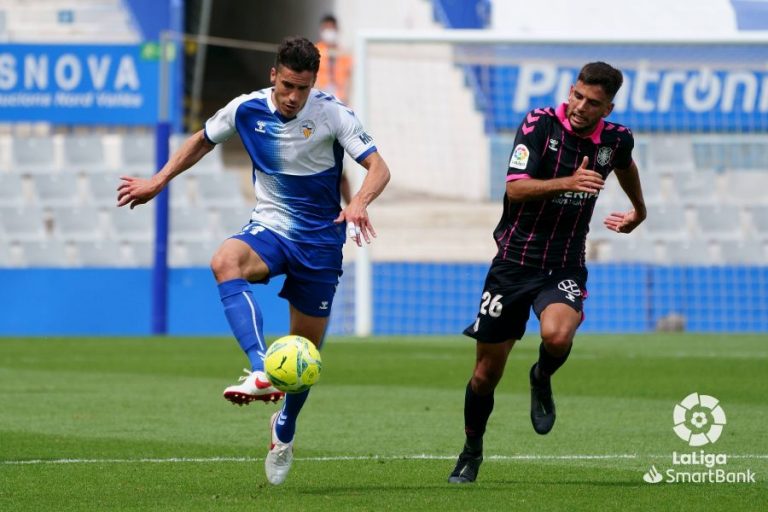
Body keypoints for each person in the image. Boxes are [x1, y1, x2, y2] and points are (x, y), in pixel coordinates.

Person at [117, 36, 391, 485]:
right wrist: (158, 180)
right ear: (273, 76)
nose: (292, 97)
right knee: (225, 260)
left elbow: (379, 168)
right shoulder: (245, 109)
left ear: (312, 84)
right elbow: (201, 140)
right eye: (286, 86)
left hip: (320, 244)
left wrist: (359, 201)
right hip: (271, 228)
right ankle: (262, 367)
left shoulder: (333, 114)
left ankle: (284, 427)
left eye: (301, 89)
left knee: (305, 356)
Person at [448, 61, 646, 484]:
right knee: (485, 376)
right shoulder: (539, 125)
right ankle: (471, 451)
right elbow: (515, 186)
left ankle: (541, 376)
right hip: (514, 263)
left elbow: (625, 165)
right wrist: (568, 182)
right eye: (577, 95)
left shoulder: (616, 139)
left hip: (564, 263)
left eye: (592, 103)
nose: (580, 106)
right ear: (570, 90)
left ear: (607, 108)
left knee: (558, 335)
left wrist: (639, 211)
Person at [315, 14, 353, 204]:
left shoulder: (345, 55)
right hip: (318, 114)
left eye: (332, 28)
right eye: (326, 27)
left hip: (339, 113)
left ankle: (352, 206)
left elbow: (350, 81)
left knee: (340, 166)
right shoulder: (315, 52)